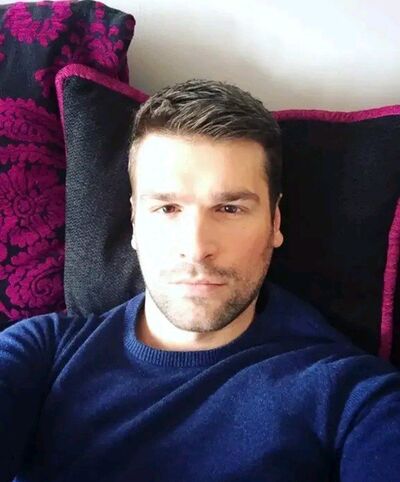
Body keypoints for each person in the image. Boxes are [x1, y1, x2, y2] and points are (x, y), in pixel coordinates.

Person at [1, 79, 399, 482]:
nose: (196, 248)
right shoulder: (40, 352)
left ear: (275, 222)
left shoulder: (354, 396)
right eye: (167, 208)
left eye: (229, 208)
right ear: (135, 222)